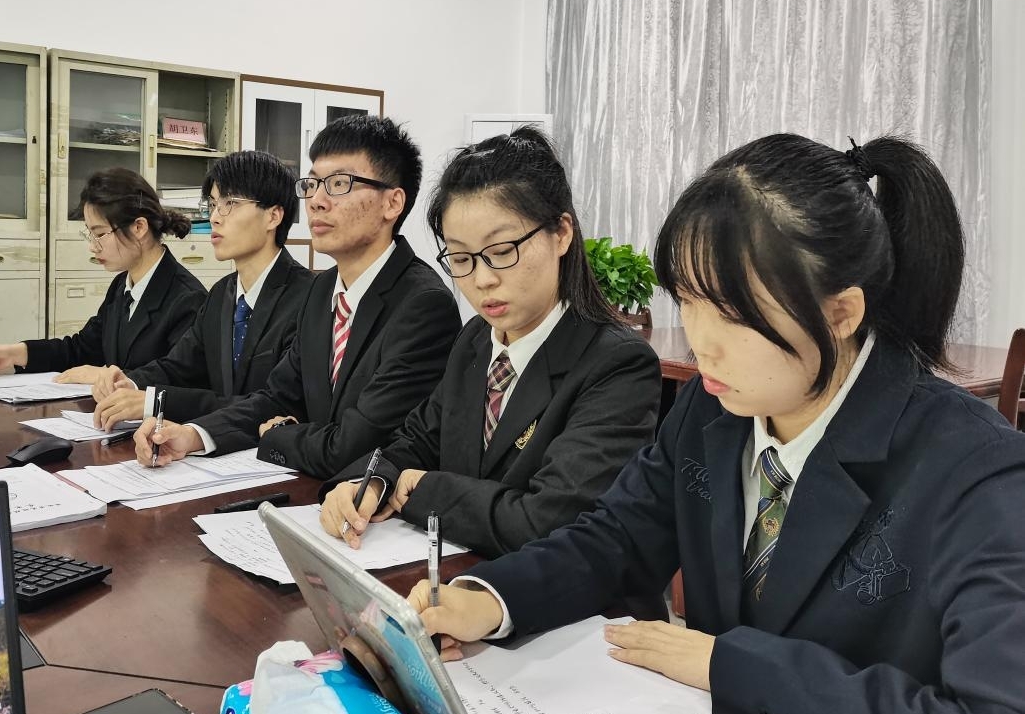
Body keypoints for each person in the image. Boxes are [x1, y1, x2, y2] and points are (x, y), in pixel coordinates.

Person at [409, 133, 1025, 712]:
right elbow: (617, 538)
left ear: (840, 313)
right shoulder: (715, 409)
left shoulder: (977, 470)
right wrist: (492, 599)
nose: (701, 343)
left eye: (731, 312)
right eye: (687, 301)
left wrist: (730, 664)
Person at [317, 127, 662, 561]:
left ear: (561, 233)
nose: (482, 280)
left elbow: (547, 521)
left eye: (501, 252)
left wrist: (424, 489)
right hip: (453, 571)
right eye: (461, 259)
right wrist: (370, 482)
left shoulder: (617, 364)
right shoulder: (475, 340)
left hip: (553, 597)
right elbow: (418, 439)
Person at [134, 115, 461, 480]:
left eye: (339, 184)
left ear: (392, 203)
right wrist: (193, 435)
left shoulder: (423, 305)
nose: (316, 201)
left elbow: (355, 447)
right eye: (313, 184)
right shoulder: (323, 290)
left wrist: (278, 435)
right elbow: (276, 397)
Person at [90, 151, 314, 429]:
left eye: (230, 203)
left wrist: (156, 401)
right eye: (213, 204)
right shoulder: (221, 294)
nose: (215, 218)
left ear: (273, 216)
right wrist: (130, 382)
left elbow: (271, 404)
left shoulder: (308, 298)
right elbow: (180, 365)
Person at [0, 168, 205, 382]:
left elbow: (178, 380)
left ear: (139, 227)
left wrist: (105, 376)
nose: (93, 247)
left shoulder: (188, 299)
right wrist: (16, 354)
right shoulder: (122, 286)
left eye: (100, 234)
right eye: (90, 235)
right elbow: (82, 349)